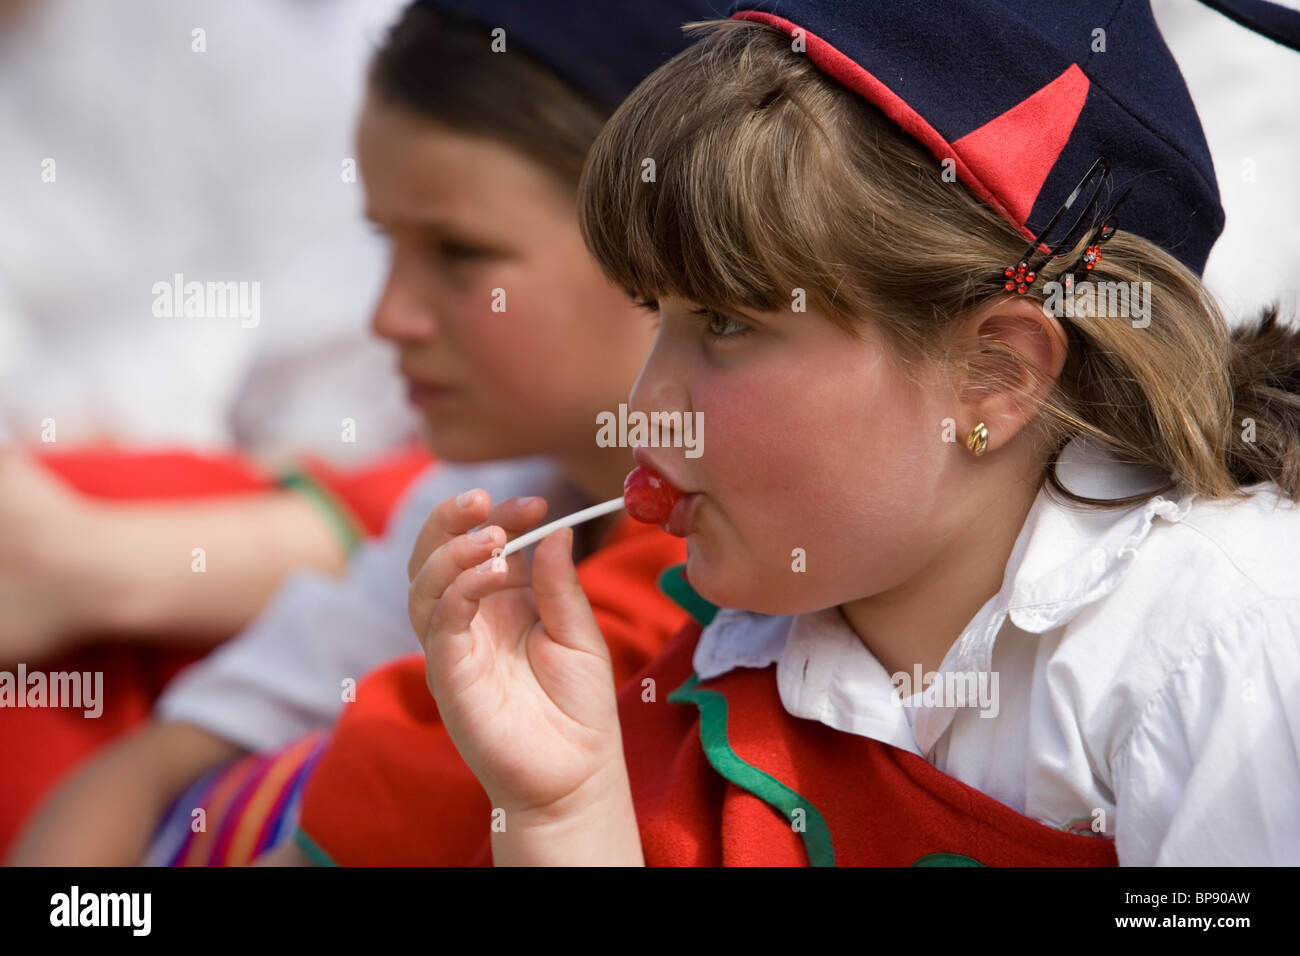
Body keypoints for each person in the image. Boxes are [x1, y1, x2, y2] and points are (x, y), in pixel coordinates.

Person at [406, 1, 1300, 865]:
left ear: (995, 375)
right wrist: (562, 816)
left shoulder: (1216, 643)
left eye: (724, 323)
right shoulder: (733, 644)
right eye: (656, 316)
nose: (644, 406)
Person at [7, 0, 713, 866]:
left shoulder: (725, 582)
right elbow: (145, 769)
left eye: (459, 255)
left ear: (660, 249)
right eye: (385, 245)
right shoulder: (496, 508)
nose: (388, 317)